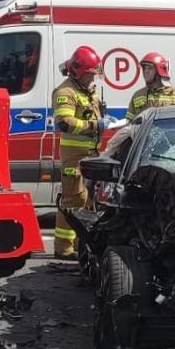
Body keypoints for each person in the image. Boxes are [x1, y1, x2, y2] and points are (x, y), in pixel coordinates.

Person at [51, 46, 107, 260]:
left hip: (91, 153)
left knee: (89, 201)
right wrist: (95, 126)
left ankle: (78, 244)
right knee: (74, 199)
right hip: (74, 155)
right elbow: (65, 123)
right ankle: (63, 247)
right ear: (78, 72)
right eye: (90, 74)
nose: (93, 78)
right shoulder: (66, 92)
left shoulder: (87, 91)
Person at [127, 52, 175, 119]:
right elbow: (129, 123)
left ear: (159, 71)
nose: (146, 71)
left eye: (150, 68)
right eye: (144, 68)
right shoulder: (137, 95)